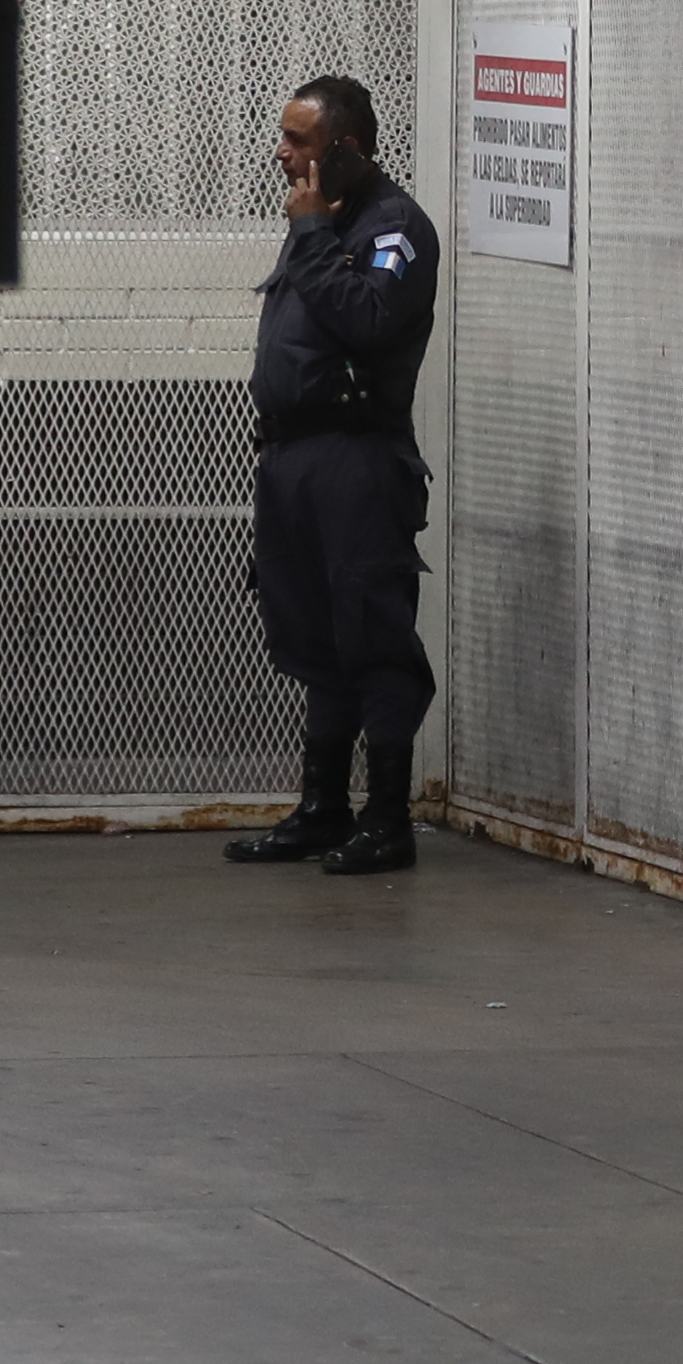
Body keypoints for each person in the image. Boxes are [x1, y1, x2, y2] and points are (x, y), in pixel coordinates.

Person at [226, 72, 442, 874]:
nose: (282, 153)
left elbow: (370, 320)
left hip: (355, 460)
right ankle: (323, 809)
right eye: (284, 137)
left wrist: (315, 236)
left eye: (299, 141)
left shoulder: (396, 229)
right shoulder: (320, 218)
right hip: (291, 459)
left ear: (345, 150)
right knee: (316, 633)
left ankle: (388, 821)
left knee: (372, 634)